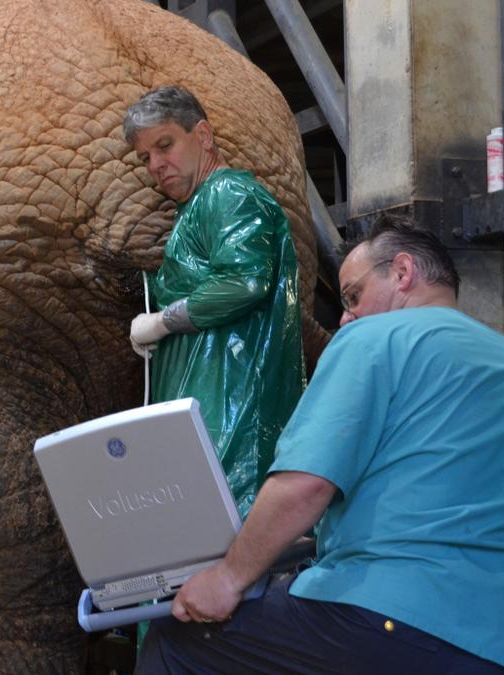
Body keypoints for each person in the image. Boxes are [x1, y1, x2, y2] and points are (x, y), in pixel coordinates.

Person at [138, 216, 504, 674]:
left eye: (352, 297)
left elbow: (304, 484)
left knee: (179, 639)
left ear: (402, 273)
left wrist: (227, 578)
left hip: (393, 621)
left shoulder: (373, 339)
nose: (344, 318)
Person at [125, 85, 305, 517]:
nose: (156, 164)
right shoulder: (200, 206)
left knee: (221, 532)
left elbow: (245, 282)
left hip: (230, 410)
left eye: (164, 145)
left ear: (202, 135)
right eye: (145, 157)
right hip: (211, 405)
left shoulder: (228, 195)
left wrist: (163, 321)